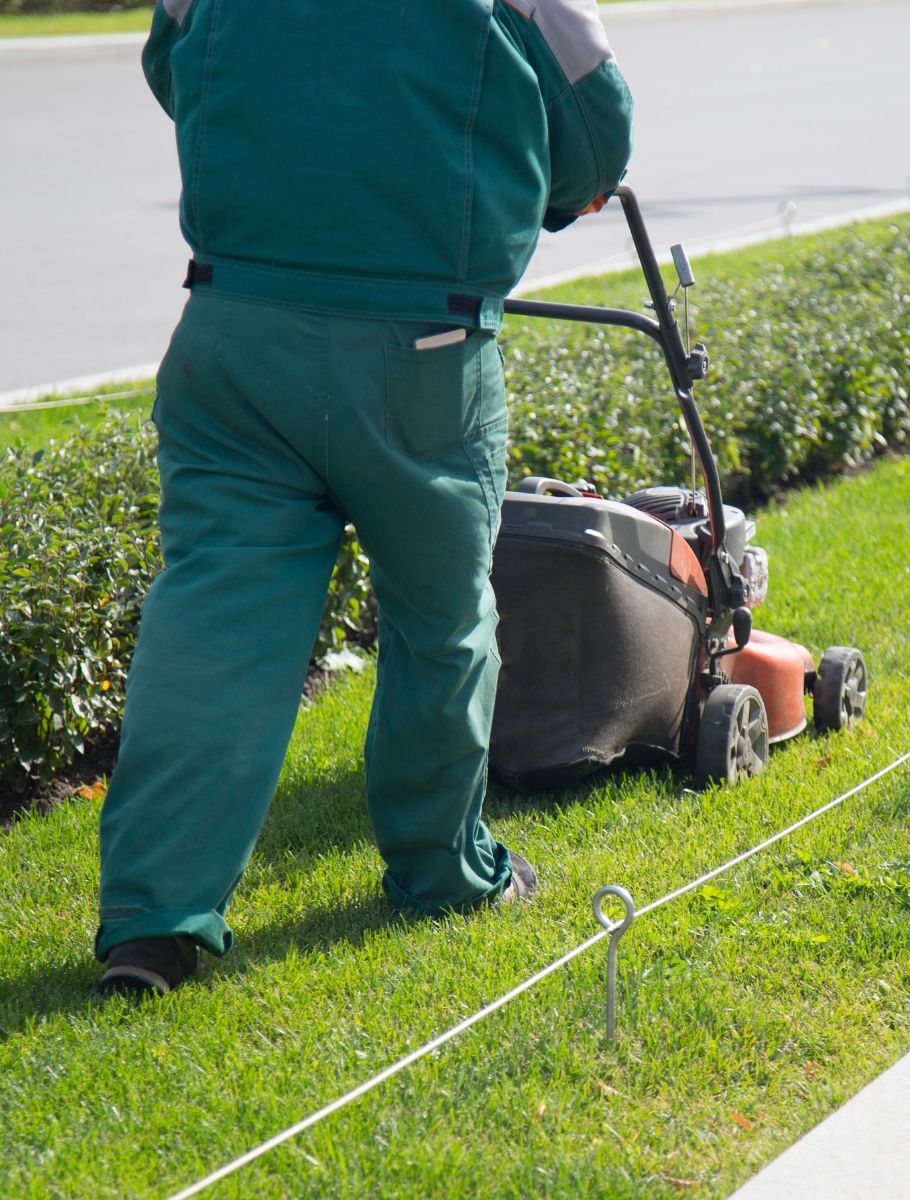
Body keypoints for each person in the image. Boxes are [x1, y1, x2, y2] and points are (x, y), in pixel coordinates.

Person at [95, 0, 634, 995]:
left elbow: (176, 73)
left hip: (234, 332)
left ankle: (152, 922)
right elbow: (597, 138)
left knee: (213, 622)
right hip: (420, 349)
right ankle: (443, 874)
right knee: (439, 620)